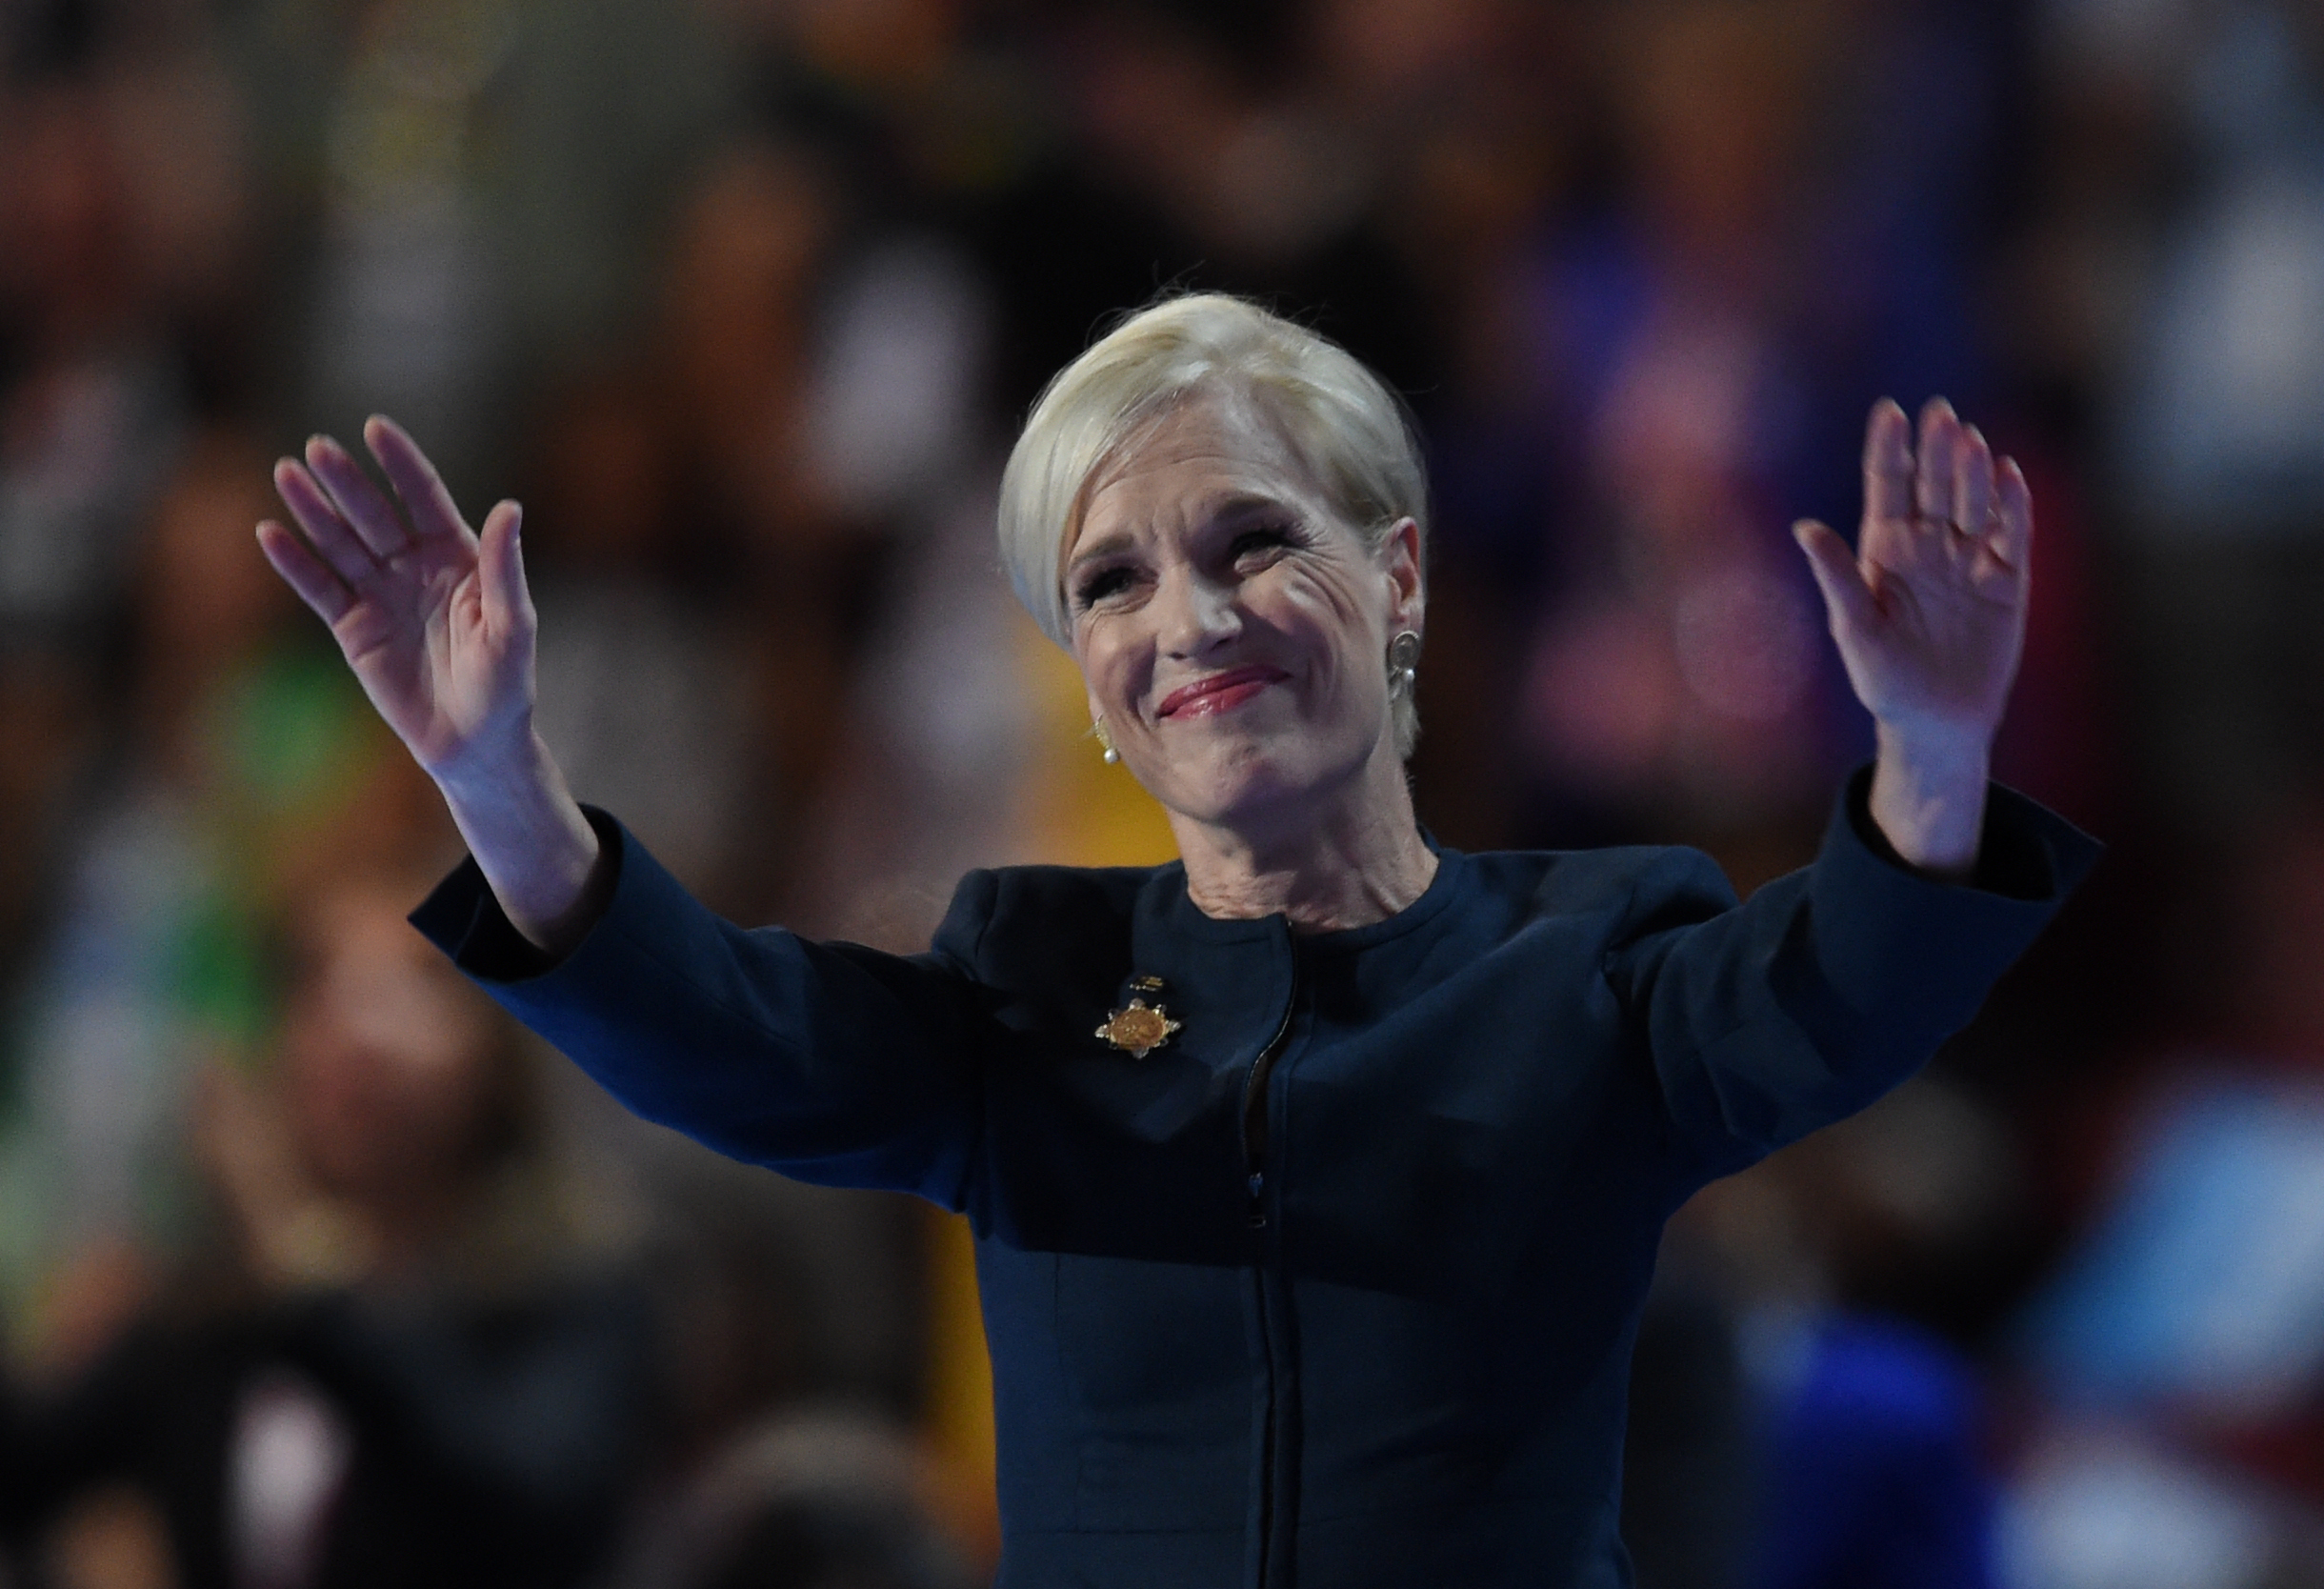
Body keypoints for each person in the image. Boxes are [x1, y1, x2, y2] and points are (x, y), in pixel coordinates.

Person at [253, 294, 2095, 1588]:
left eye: (1249, 539)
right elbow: (730, 1035)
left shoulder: (1596, 961)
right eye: (1111, 582)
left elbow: (1838, 999)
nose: (1187, 618)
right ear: (1095, 693)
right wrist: (494, 776)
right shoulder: (1024, 986)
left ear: (1400, 580)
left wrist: (1932, 744)